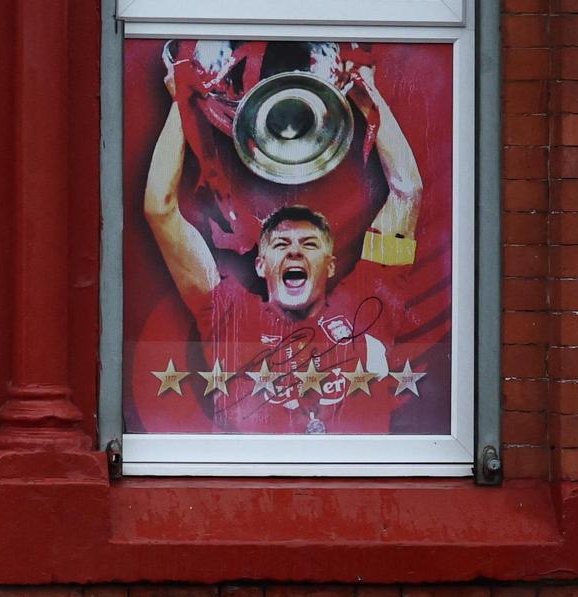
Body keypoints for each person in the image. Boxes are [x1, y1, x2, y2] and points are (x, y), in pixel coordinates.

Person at [142, 57, 423, 434]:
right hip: (253, 488)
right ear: (260, 264)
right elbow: (159, 208)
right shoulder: (227, 315)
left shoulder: (371, 301)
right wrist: (182, 103)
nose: (294, 251)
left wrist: (367, 98)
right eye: (280, 244)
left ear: (331, 264)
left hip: (357, 485)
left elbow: (408, 192)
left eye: (309, 243)